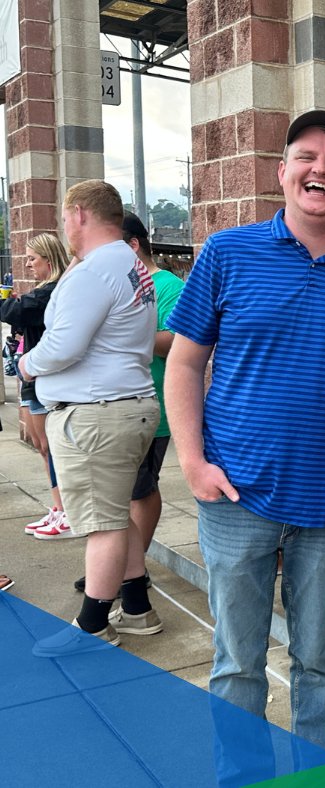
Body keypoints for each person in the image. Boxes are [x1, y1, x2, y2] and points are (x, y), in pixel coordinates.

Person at [164, 110, 325, 754]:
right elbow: (184, 362)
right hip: (233, 496)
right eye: (307, 157)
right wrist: (191, 462)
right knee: (237, 662)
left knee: (321, 664)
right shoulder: (227, 253)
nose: (319, 170)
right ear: (283, 171)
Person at [22, 179, 160, 655]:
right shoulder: (128, 262)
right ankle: (138, 609)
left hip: (97, 415)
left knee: (102, 523)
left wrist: (26, 365)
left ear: (79, 213)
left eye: (64, 218)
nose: (63, 228)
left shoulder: (95, 269)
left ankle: (93, 625)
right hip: (125, 406)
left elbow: (63, 345)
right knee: (117, 513)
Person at [73, 213, 185, 602]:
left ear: (133, 246)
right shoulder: (110, 283)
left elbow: (173, 342)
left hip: (149, 407)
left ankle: (129, 571)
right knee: (114, 498)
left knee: (139, 490)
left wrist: (114, 326)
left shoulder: (167, 285)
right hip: (109, 406)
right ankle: (122, 567)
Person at [1, 233, 70, 537]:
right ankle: (58, 508)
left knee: (52, 447)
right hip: (33, 378)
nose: (27, 264)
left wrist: (5, 297)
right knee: (42, 447)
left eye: (32, 258)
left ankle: (66, 509)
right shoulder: (43, 291)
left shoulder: (53, 291)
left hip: (46, 378)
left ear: (49, 259)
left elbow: (12, 311)